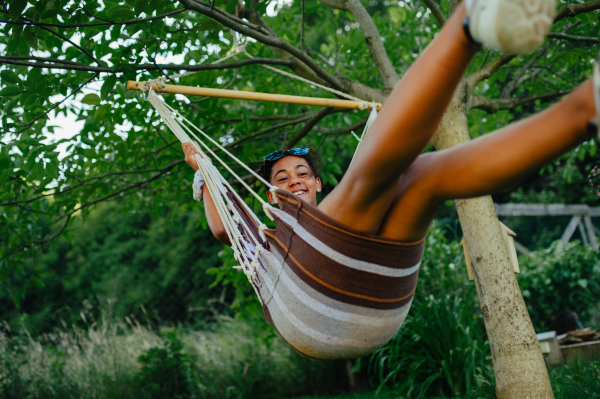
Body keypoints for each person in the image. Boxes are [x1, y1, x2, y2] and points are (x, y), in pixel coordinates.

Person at [183, 0, 599, 250]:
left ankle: (586, 108)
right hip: (316, 285)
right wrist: (203, 173)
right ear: (271, 195)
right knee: (367, 177)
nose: (294, 181)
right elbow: (223, 228)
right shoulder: (269, 235)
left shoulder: (330, 204)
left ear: (317, 183)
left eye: (302, 174)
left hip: (379, 266)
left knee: (424, 175)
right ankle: (470, 20)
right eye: (282, 178)